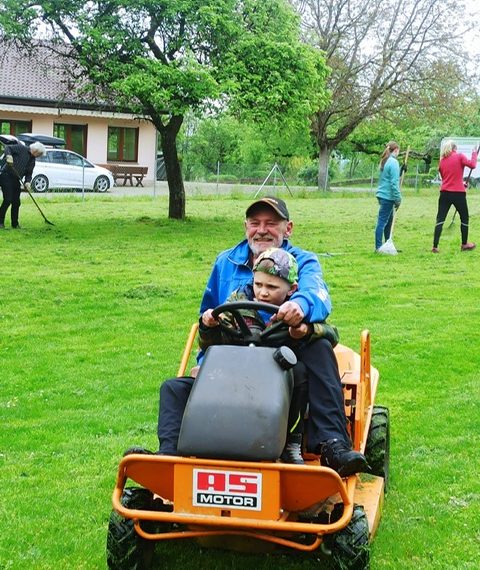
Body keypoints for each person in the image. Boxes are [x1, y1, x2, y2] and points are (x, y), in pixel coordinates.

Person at [157, 197, 369, 477]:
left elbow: (316, 295)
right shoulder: (226, 262)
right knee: (172, 387)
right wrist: (206, 354)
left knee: (317, 348)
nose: (262, 230)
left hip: (284, 354)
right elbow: (209, 315)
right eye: (255, 223)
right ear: (246, 226)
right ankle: (167, 460)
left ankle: (332, 445)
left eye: (271, 223)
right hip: (233, 355)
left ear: (288, 228)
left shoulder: (304, 262)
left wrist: (299, 307)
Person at [199, 247, 339, 464]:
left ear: (291, 289)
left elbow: (330, 334)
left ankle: (294, 441)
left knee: (301, 372)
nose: (263, 292)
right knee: (173, 387)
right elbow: (212, 344)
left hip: (279, 373)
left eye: (271, 287)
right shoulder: (235, 304)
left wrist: (305, 330)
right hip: (238, 370)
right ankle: (175, 451)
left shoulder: (294, 311)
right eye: (258, 285)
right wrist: (208, 326)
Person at [432, 140, 477, 253]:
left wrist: (461, 183)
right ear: (454, 148)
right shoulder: (460, 156)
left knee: (440, 218)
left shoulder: (442, 161)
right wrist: (474, 153)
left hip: (445, 193)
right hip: (458, 193)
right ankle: (464, 244)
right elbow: (472, 165)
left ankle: (435, 246)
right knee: (464, 217)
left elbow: (446, 177)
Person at [0, 141, 46, 229]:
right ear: (36, 151)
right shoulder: (21, 148)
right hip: (6, 176)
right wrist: (9, 156)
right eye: (39, 154)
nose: (39, 156)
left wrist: (27, 182)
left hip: (16, 179)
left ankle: (15, 224)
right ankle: (0, 222)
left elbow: (29, 173)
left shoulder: (32, 160)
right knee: (8, 200)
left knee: (16, 202)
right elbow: (8, 148)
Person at [375, 141, 401, 252]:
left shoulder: (384, 161)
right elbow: (394, 182)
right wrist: (398, 198)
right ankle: (378, 247)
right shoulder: (393, 162)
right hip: (388, 196)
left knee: (388, 222)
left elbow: (390, 176)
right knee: (382, 222)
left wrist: (402, 170)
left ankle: (387, 244)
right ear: (396, 150)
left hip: (382, 194)